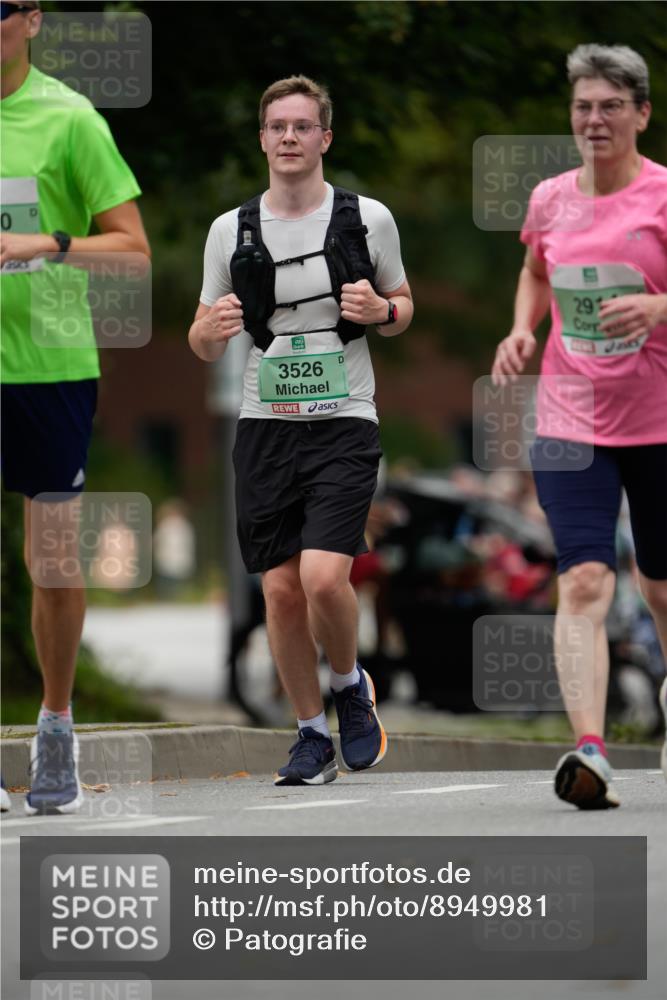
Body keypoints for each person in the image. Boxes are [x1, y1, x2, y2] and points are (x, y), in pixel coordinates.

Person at [189, 75, 413, 786]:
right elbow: (200, 338)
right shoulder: (231, 230)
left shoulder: (365, 219)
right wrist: (210, 331)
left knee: (322, 578)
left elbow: (402, 303)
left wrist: (381, 310)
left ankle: (349, 686)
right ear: (262, 139)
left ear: (324, 138)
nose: (288, 137)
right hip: (265, 425)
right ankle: (310, 734)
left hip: (345, 418)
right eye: (276, 126)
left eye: (302, 126)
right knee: (279, 592)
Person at [491, 44, 667, 808]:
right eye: (581, 107)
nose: (592, 120)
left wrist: (660, 307)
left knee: (660, 586)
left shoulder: (663, 195)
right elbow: (534, 268)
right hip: (569, 415)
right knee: (586, 579)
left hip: (658, 420)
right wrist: (521, 329)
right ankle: (591, 751)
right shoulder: (550, 199)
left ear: (639, 113)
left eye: (608, 106)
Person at [0, 1, 150, 813]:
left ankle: (56, 726)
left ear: (31, 19)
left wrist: (46, 244)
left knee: (52, 559)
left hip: (49, 364)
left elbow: (131, 246)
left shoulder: (69, 118)